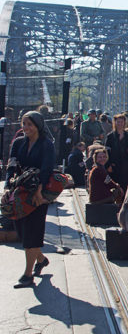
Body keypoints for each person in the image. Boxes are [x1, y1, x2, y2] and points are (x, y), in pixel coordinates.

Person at [6, 111, 55, 288]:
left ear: (38, 126)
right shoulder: (18, 143)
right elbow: (11, 165)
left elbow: (47, 168)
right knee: (22, 231)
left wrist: (39, 191)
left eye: (30, 124)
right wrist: (6, 188)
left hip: (37, 194)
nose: (26, 128)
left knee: (32, 231)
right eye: (24, 124)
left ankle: (28, 275)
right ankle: (40, 259)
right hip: (19, 192)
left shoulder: (46, 144)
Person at [105, 114, 128, 190]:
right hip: (114, 164)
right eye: (118, 122)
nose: (120, 124)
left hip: (126, 164)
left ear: (124, 123)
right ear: (115, 123)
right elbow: (107, 151)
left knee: (125, 183)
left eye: (121, 122)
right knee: (115, 183)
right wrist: (108, 164)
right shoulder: (110, 136)